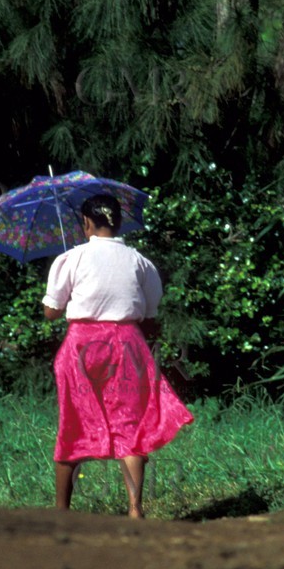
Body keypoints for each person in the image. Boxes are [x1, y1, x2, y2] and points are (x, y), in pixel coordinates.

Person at [42, 194, 193, 518]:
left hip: (81, 347)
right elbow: (151, 310)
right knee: (131, 425)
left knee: (73, 423)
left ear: (86, 223)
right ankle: (135, 509)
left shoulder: (71, 259)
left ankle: (61, 513)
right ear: (118, 222)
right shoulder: (140, 262)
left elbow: (51, 312)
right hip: (127, 344)